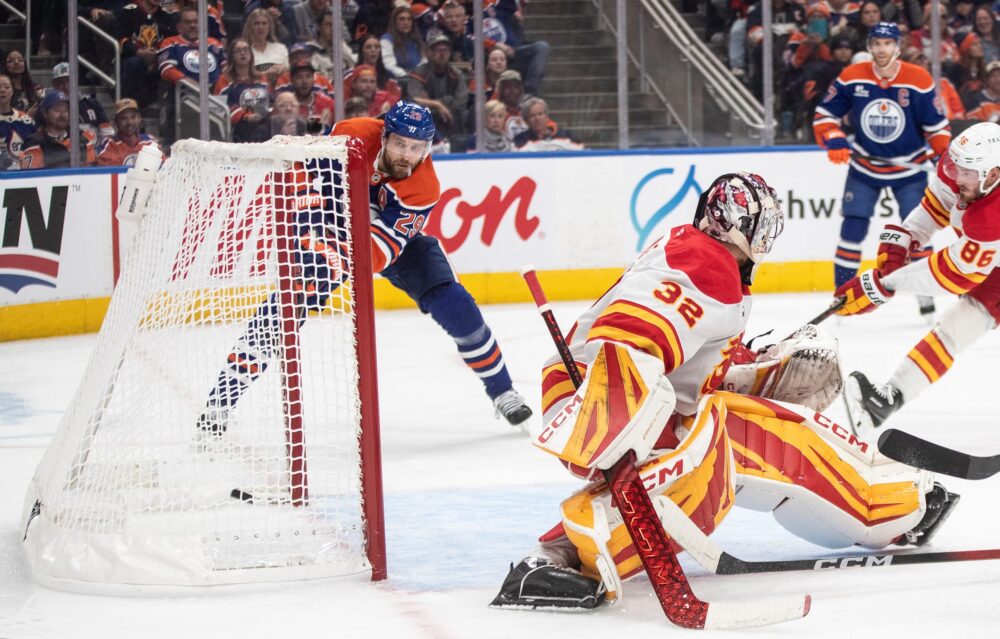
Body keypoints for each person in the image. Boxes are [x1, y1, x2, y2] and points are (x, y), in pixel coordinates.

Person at [490, 172, 958, 609]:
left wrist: (757, 368)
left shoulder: (703, 256)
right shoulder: (705, 264)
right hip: (597, 399)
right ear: (737, 225)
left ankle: (899, 503)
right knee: (708, 466)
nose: (767, 238)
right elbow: (629, 335)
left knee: (766, 430)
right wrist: (613, 408)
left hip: (618, 395)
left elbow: (686, 359)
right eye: (763, 226)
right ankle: (558, 560)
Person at [197, 101, 533, 433]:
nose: (406, 155)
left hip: (388, 242)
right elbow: (301, 168)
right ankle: (220, 402)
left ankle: (503, 391)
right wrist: (309, 229)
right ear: (384, 136)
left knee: (455, 305)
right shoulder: (353, 133)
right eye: (399, 143)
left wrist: (336, 253)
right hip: (328, 224)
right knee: (285, 306)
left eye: (416, 148)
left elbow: (377, 253)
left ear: (427, 149)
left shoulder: (423, 188)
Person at [838, 122, 1000, 435]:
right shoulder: (962, 176)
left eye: (967, 172)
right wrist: (908, 236)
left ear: (993, 175)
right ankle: (884, 403)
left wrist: (885, 285)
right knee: (954, 328)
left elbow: (953, 276)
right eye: (957, 167)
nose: (957, 178)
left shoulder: (992, 216)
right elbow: (936, 208)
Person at [813, 21, 950, 319]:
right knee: (853, 229)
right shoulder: (852, 76)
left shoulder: (918, 79)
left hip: (909, 169)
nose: (882, 49)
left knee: (917, 232)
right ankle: (841, 296)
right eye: (876, 43)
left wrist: (940, 154)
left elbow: (937, 126)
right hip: (865, 166)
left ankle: (925, 295)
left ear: (897, 47)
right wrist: (834, 137)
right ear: (869, 46)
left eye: (887, 43)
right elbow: (825, 114)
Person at [406, 33, 469, 150]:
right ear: (429, 53)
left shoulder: (456, 74)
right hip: (427, 118)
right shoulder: (419, 73)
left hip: (451, 116)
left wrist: (438, 103)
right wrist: (438, 105)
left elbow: (461, 100)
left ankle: (457, 147)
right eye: (437, 50)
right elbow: (414, 99)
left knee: (458, 111)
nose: (442, 54)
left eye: (445, 50)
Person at [115, 0, 177, 108]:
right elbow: (121, 39)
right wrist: (138, 52)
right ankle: (131, 108)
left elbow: (171, 41)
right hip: (132, 58)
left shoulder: (167, 16)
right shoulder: (128, 12)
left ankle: (169, 110)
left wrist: (157, 57)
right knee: (134, 63)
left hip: (158, 59)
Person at [19, 91, 97, 169]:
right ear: (45, 113)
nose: (62, 115)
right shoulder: (34, 143)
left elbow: (91, 171)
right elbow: (34, 175)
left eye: (65, 110)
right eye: (57, 110)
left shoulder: (83, 138)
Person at [51, 62, 114, 146]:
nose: (66, 86)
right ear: (54, 85)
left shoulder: (91, 103)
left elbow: (107, 132)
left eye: (69, 81)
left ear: (76, 81)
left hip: (94, 149)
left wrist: (101, 148)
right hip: (62, 151)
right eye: (61, 83)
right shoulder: (50, 107)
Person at [97, 98, 162, 166]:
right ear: (115, 121)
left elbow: (163, 166)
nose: (129, 122)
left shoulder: (150, 142)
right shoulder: (108, 144)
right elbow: (109, 168)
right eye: (123, 118)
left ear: (139, 119)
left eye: (133, 117)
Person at [513, 97, 582, 151]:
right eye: (532, 116)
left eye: (540, 114)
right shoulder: (521, 140)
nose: (537, 118)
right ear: (526, 121)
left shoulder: (566, 136)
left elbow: (581, 155)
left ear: (547, 116)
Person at [0, 73, 37, 169]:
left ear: (12, 91)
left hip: (24, 173)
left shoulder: (26, 121)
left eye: (7, 87)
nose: (2, 90)